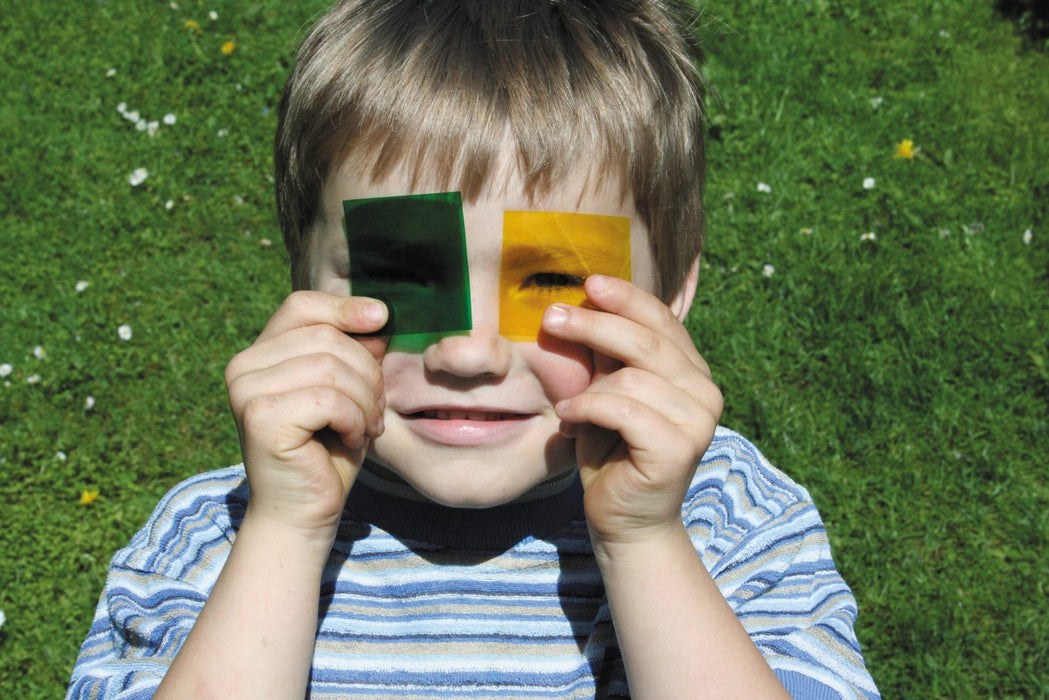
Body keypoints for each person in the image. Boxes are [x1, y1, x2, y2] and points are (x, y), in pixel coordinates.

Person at [68, 1, 880, 697]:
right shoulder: (212, 536)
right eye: (403, 275)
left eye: (550, 279)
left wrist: (642, 540)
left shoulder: (730, 519)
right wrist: (285, 531)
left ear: (668, 297)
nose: (466, 355)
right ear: (303, 278)